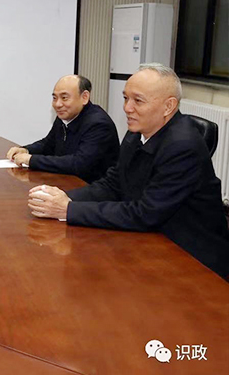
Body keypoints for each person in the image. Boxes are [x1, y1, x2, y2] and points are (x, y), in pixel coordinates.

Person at [27, 64, 229, 279]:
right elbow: (113, 183)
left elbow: (145, 213)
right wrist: (63, 198)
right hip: (152, 242)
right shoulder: (137, 132)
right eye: (125, 98)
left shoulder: (183, 146)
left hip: (193, 259)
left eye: (138, 101)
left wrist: (68, 210)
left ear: (168, 106)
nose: (127, 108)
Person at [6, 75, 119, 183]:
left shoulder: (98, 124)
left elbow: (79, 164)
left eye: (64, 98)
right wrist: (26, 150)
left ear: (84, 97)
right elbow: (48, 144)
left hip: (91, 188)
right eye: (54, 98)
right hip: (66, 181)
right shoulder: (65, 116)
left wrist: (31, 160)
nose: (58, 104)